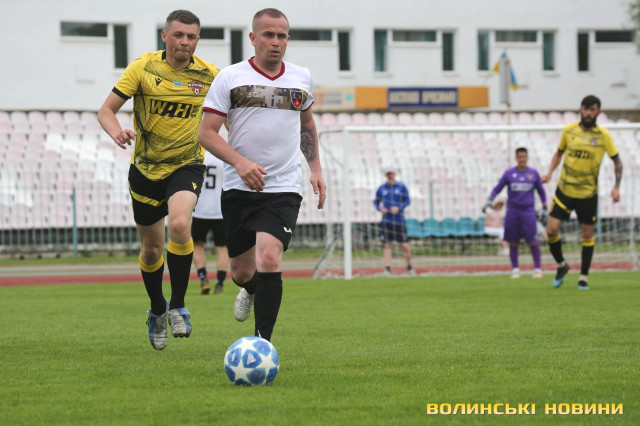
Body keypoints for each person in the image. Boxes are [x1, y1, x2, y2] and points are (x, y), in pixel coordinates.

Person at [198, 8, 326, 342]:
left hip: (283, 187)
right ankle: (250, 289)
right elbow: (207, 134)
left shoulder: (301, 77)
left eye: (282, 36)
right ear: (253, 38)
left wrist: (315, 168)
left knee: (269, 256)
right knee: (241, 271)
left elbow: (307, 123)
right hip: (239, 187)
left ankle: (262, 344)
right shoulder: (230, 77)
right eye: (268, 35)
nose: (276, 42)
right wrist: (240, 163)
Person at [97, 10, 220, 350]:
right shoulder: (143, 68)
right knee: (151, 249)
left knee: (180, 224)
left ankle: (179, 305)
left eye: (191, 36)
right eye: (178, 35)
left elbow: (229, 118)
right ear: (165, 36)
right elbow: (106, 110)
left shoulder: (211, 75)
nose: (185, 42)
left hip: (187, 164)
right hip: (146, 170)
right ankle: (157, 309)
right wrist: (116, 131)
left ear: (197, 40)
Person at [541, 95, 623, 290]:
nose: (588, 113)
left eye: (592, 109)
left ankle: (583, 277)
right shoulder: (569, 131)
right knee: (551, 231)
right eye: (585, 109)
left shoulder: (603, 136)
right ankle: (562, 265)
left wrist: (616, 187)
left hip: (587, 195)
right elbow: (559, 153)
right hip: (565, 190)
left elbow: (617, 162)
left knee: (587, 235)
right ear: (580, 110)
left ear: (598, 112)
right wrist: (550, 172)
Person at [482, 147, 547, 279]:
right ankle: (515, 270)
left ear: (527, 158)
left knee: (533, 241)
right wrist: (490, 200)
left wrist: (545, 207)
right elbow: (497, 188)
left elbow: (541, 191)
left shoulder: (533, 173)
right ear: (516, 158)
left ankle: (537, 269)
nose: (522, 159)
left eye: (524, 157)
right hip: (513, 212)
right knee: (513, 242)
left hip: (528, 212)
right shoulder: (509, 173)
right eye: (520, 157)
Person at [192, 150, 228, 295]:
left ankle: (203, 278)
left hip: (200, 209)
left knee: (197, 245)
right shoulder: (223, 157)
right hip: (220, 210)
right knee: (222, 248)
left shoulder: (198, 157)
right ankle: (220, 283)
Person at [373, 167, 414, 275]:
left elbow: (407, 200)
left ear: (395, 174)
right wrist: (380, 209)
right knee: (387, 244)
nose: (390, 175)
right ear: (385, 175)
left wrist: (399, 207)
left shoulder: (401, 186)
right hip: (387, 221)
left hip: (399, 220)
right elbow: (376, 202)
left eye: (391, 173)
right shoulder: (381, 188)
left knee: (404, 245)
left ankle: (409, 267)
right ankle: (387, 268)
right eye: (388, 174)